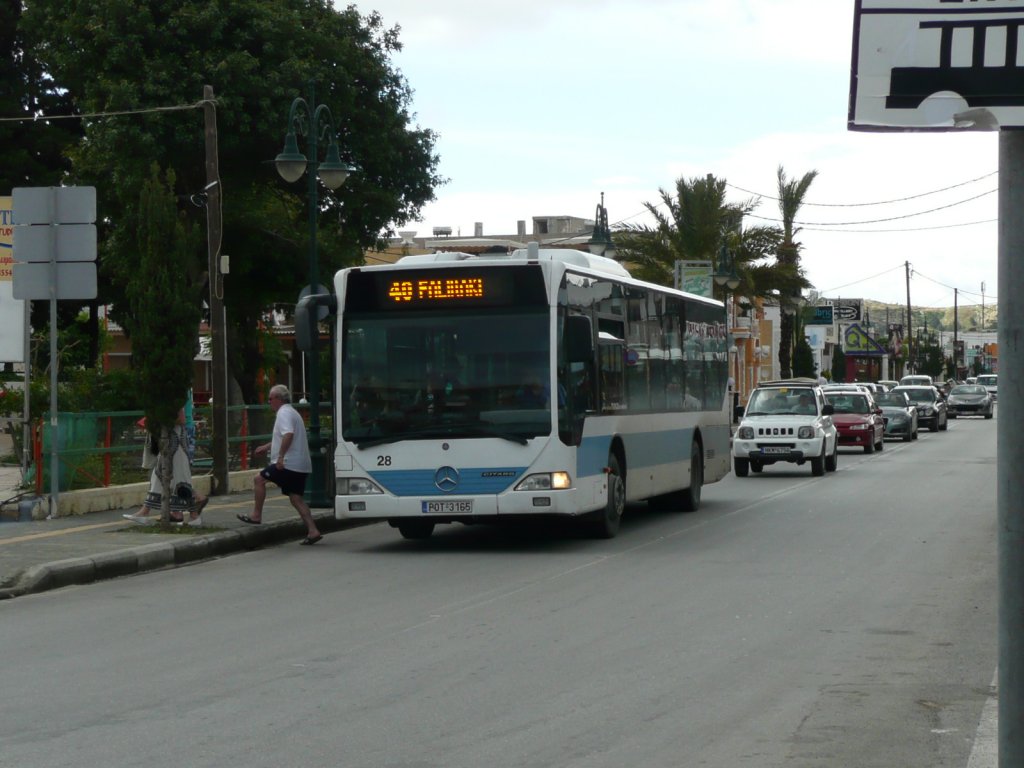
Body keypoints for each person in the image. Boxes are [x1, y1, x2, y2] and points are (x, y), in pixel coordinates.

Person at [236, 384, 322, 545]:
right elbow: (285, 436)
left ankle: (256, 515)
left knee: (259, 479)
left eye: (270, 399)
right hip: (301, 465)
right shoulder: (292, 412)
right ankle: (313, 530)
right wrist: (267, 446)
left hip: (288, 463)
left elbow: (288, 435)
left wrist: (281, 457)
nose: (269, 402)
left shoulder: (283, 413)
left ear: (279, 399)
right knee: (296, 498)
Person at [123, 407, 208, 526]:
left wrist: (160, 420)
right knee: (159, 474)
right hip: (168, 439)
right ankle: (145, 512)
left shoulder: (174, 397)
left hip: (176, 440)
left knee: (180, 478)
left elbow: (181, 419)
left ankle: (194, 514)